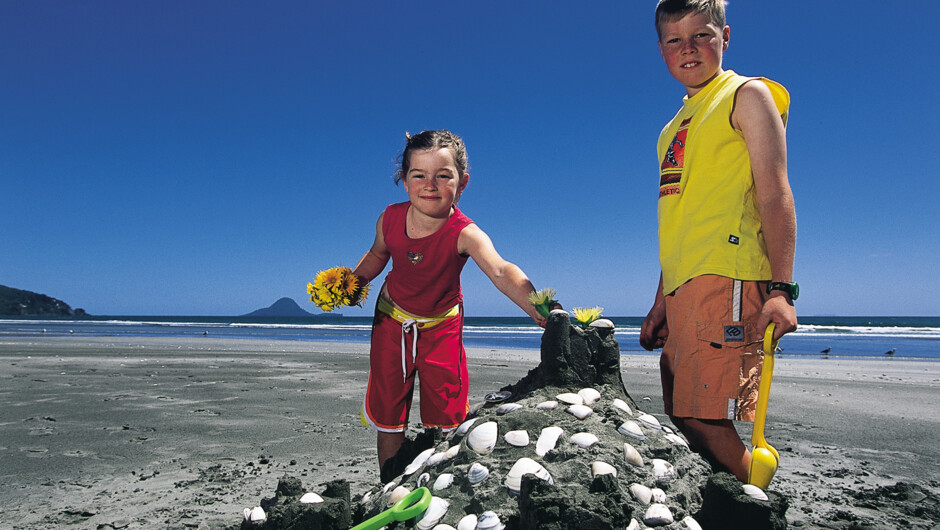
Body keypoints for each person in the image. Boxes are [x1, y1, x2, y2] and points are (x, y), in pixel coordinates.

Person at [640, 0, 798, 483]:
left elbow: (774, 193)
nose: (688, 49)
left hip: (729, 274)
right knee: (683, 412)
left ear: (725, 38)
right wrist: (660, 303)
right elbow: (680, 219)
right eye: (674, 40)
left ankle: (756, 498)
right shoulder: (671, 128)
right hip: (683, 284)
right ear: (662, 50)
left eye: (701, 35)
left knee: (707, 417)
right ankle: (732, 496)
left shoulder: (746, 94)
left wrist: (781, 289)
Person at [349, 130, 553, 476]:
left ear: (462, 183)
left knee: (446, 417)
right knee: (389, 416)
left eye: (443, 176)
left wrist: (543, 308)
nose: (430, 184)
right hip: (390, 324)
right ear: (404, 180)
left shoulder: (465, 232)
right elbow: (377, 254)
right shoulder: (389, 218)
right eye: (419, 175)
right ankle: (388, 484)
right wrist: (353, 282)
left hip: (441, 328)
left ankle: (434, 479)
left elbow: (502, 270)